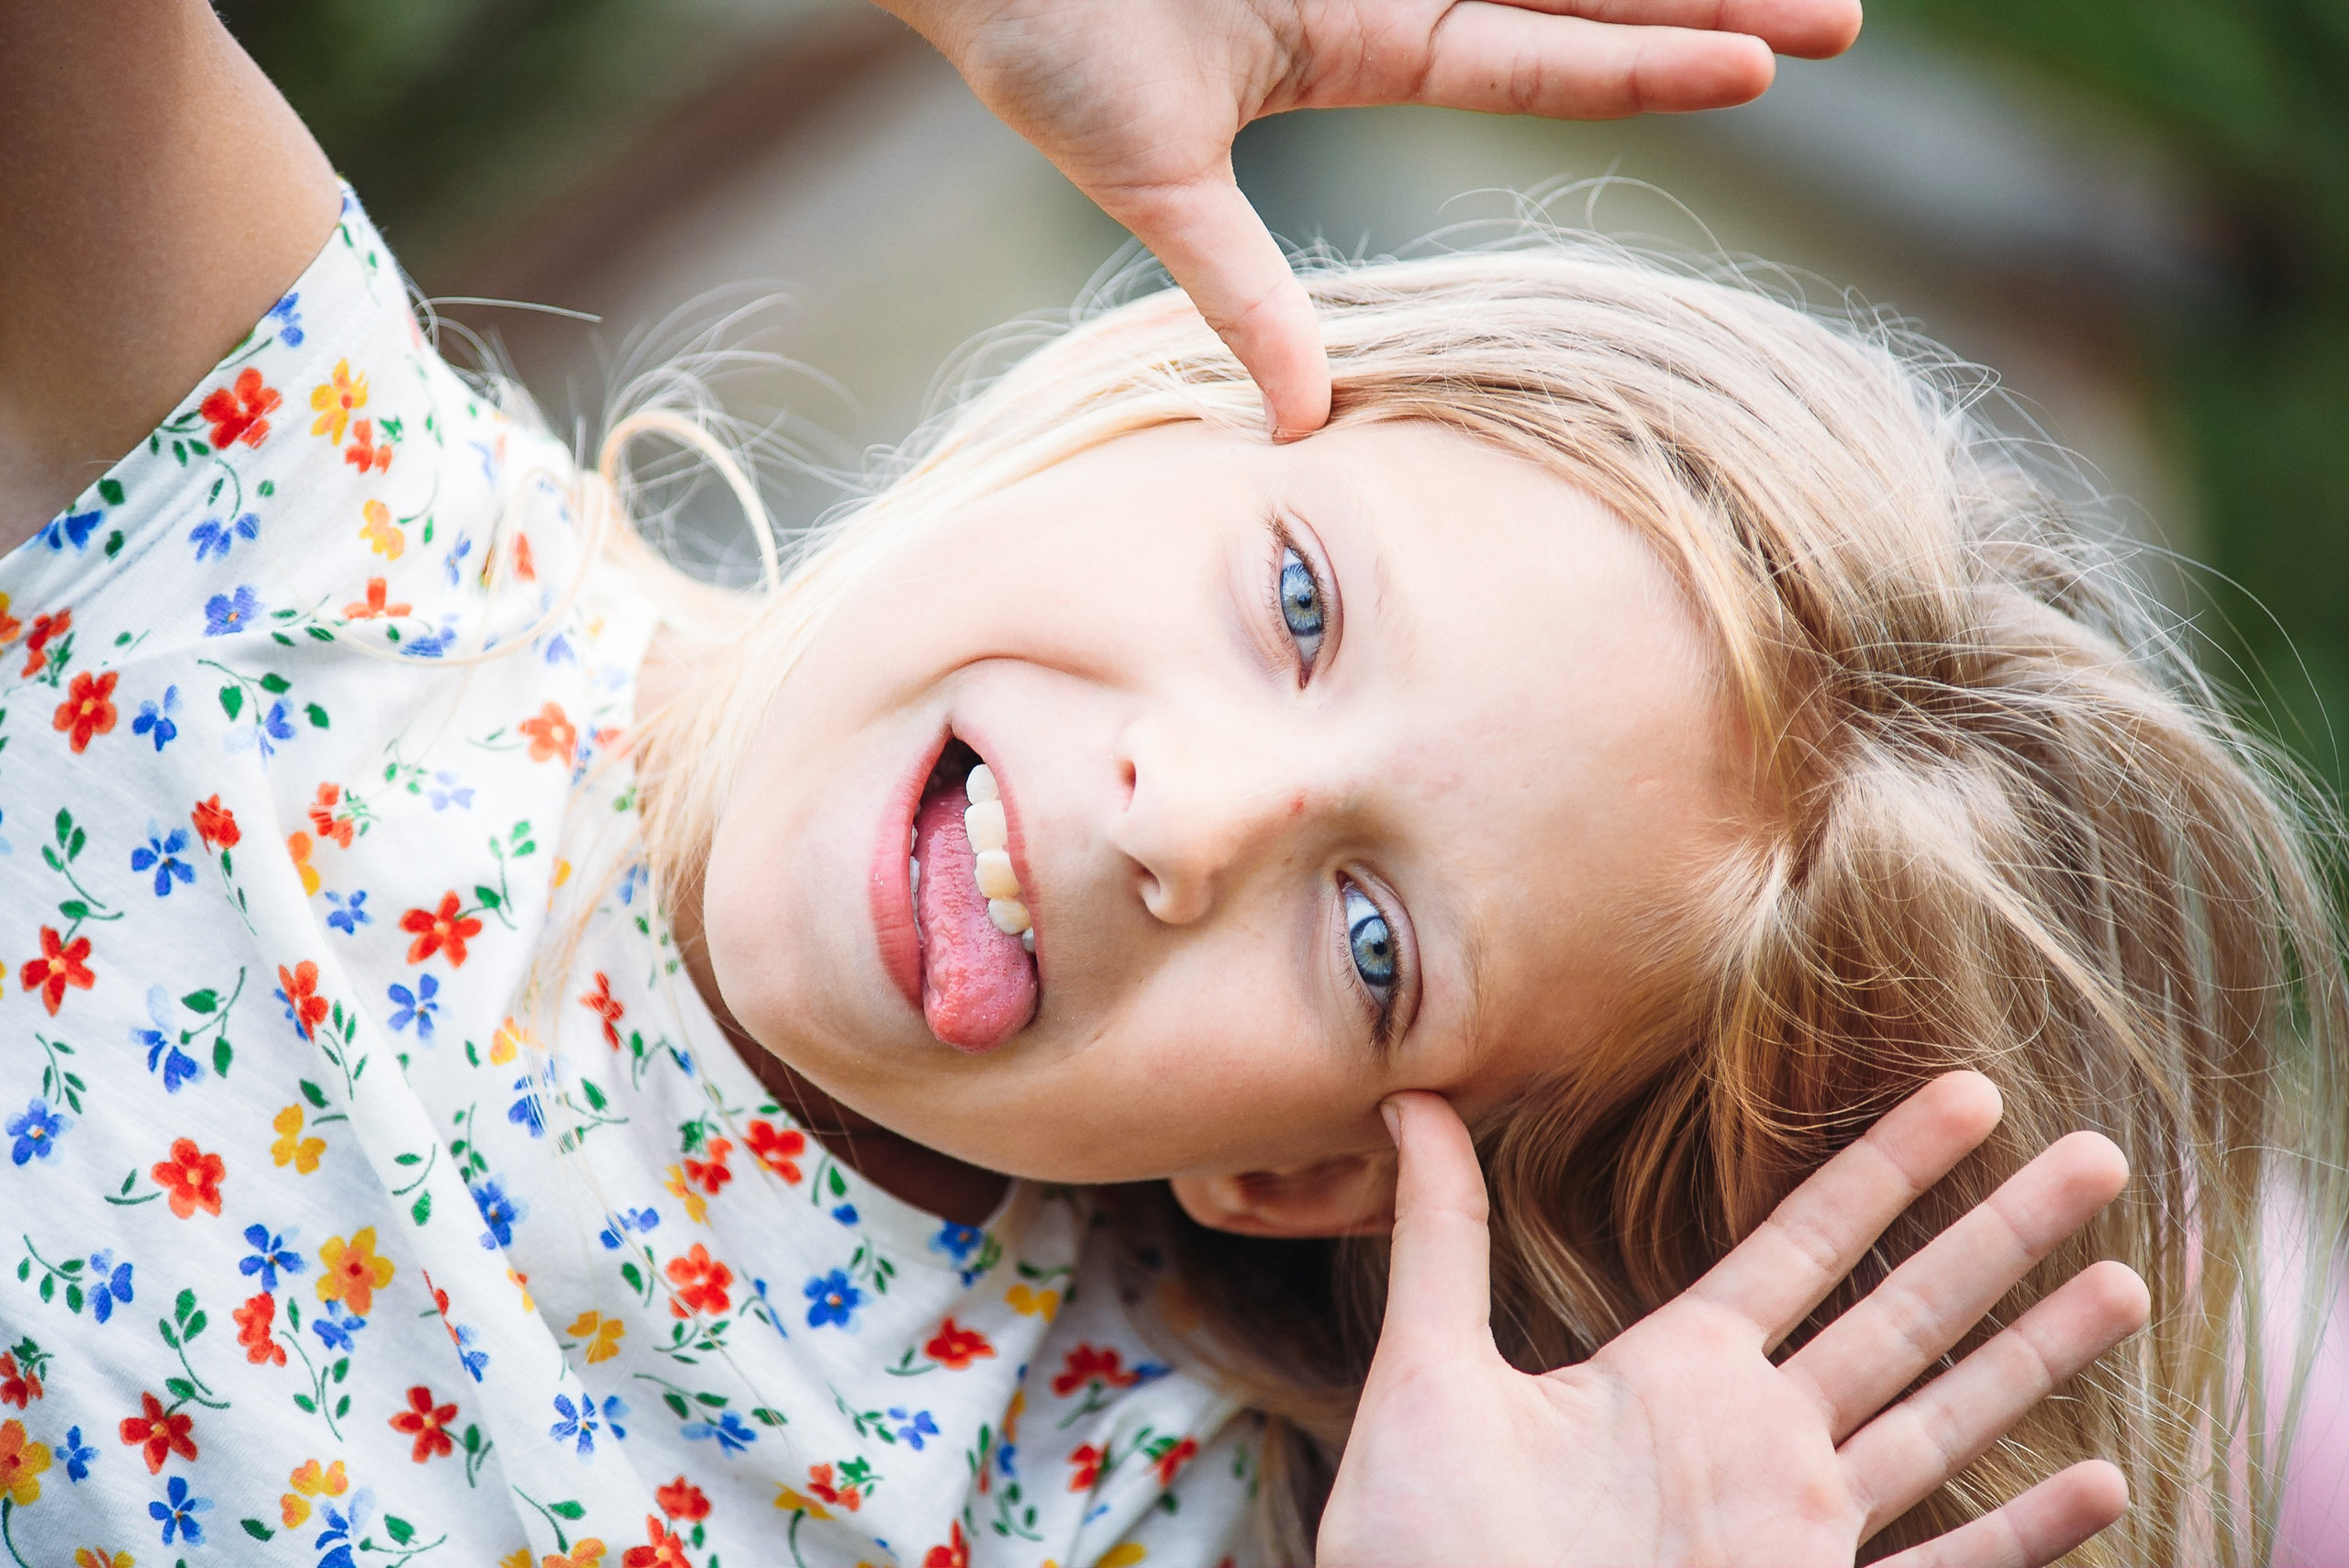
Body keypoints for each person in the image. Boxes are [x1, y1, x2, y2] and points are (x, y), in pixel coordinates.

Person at [1, 3, 2337, 1565]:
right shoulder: (320, 539)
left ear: (1309, 1168)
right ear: (1154, 398)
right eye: (1298, 609)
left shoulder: (1124, 1510)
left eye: (1371, 940)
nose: (1183, 819)